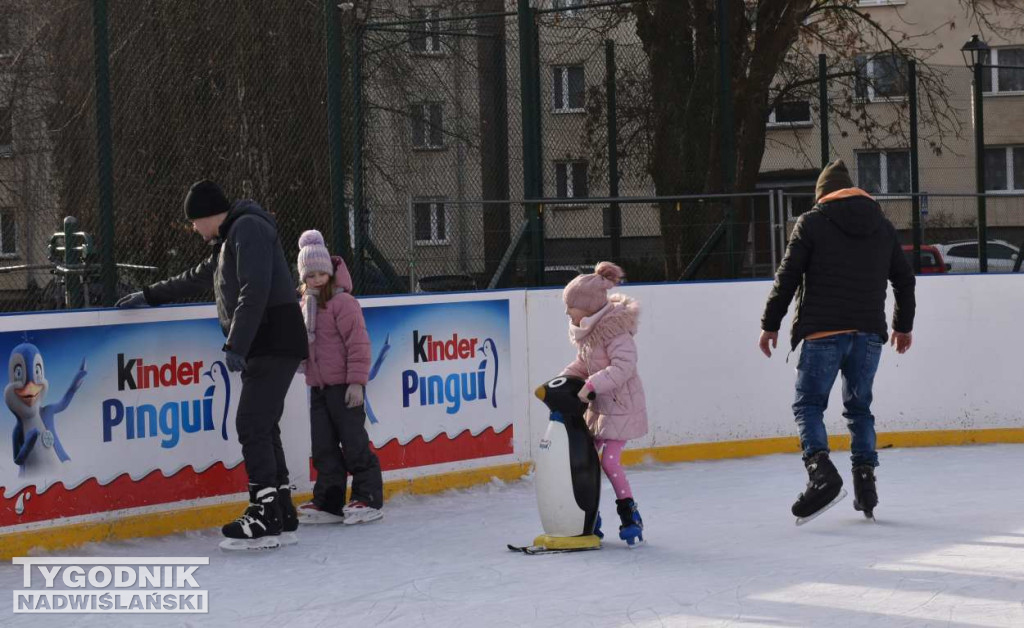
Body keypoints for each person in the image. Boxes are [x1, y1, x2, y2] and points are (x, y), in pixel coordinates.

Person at [117, 180, 308, 549]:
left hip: (272, 338)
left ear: (207, 215)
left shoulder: (247, 228)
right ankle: (280, 507)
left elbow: (255, 289)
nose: (192, 228)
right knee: (263, 423)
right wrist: (149, 294)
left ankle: (264, 511)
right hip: (269, 339)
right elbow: (198, 277)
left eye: (193, 221)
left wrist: (237, 342)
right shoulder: (230, 239)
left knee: (251, 423)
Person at [759, 159, 916, 522]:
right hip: (868, 336)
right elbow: (904, 280)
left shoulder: (811, 223)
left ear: (823, 195)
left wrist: (770, 324)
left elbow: (787, 276)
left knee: (808, 406)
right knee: (859, 409)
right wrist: (902, 326)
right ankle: (866, 486)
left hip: (823, 334)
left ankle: (821, 474)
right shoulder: (883, 226)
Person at [293, 230, 383, 525]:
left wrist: (357, 382)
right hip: (318, 387)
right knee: (323, 446)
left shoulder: (343, 303)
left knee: (354, 442)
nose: (317, 279)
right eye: (310, 275)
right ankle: (329, 501)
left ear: (331, 273)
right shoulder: (306, 306)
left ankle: (367, 496)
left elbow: (358, 343)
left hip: (345, 386)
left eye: (322, 273)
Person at [560, 261, 648, 546]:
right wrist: (563, 380)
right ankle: (590, 515)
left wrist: (591, 386)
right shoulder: (588, 331)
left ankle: (630, 514)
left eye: (571, 308)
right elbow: (583, 364)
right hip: (600, 409)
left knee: (609, 461)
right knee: (587, 461)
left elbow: (623, 367)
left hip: (621, 407)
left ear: (587, 308)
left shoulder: (614, 331)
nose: (567, 314)